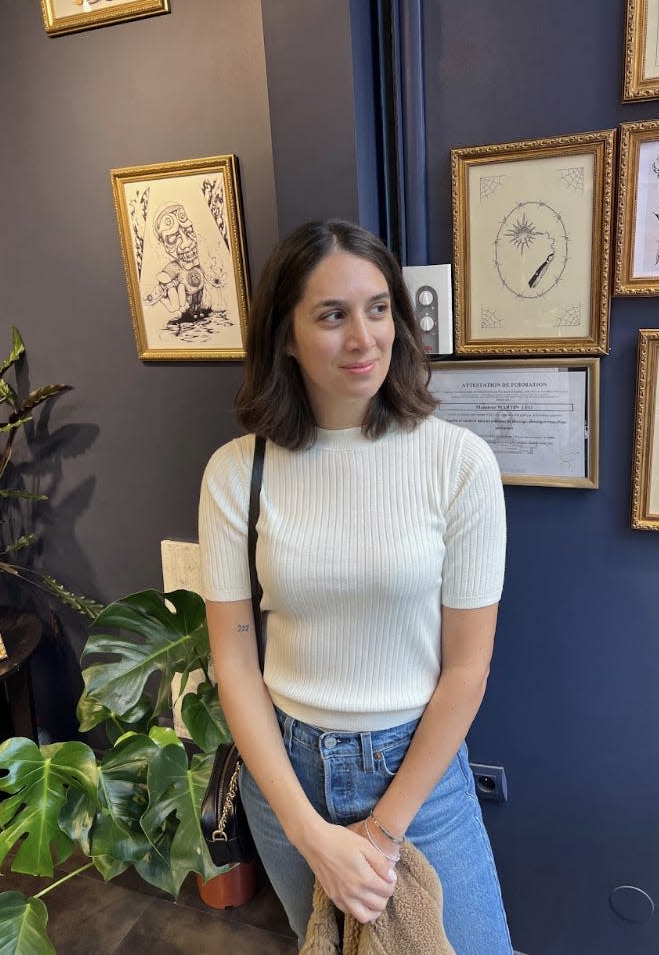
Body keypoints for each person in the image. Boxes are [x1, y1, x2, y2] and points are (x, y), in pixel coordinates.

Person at [198, 219, 512, 953]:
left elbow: (467, 668)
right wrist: (312, 836)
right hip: (287, 779)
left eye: (378, 309)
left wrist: (380, 830)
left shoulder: (459, 464)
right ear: (285, 335)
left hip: (419, 780)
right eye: (332, 315)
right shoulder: (235, 473)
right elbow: (236, 664)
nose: (364, 337)